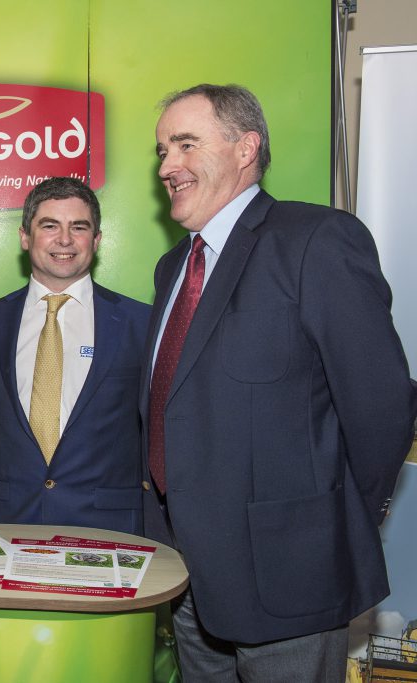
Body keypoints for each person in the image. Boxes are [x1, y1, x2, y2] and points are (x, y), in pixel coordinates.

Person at [144, 83, 417, 681]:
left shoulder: (315, 240)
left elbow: (382, 404)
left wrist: (328, 521)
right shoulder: (174, 268)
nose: (167, 166)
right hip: (188, 573)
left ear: (246, 148)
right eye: (162, 150)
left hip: (290, 574)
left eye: (185, 144)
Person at [0, 177, 149, 533]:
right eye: (49, 226)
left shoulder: (140, 323)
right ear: (24, 237)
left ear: (96, 240)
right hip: (10, 522)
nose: (64, 240)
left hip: (107, 530)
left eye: (78, 227)